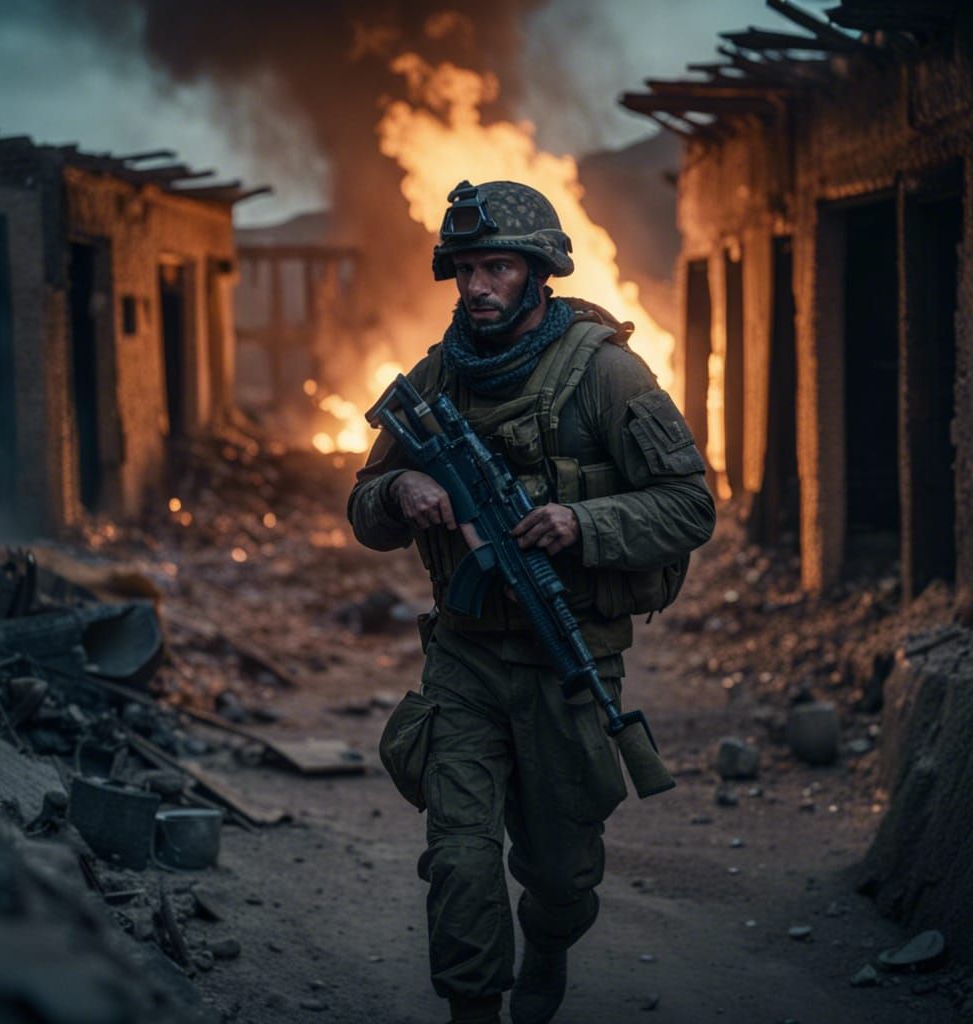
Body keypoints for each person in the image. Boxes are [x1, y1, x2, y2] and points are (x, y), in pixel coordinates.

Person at [348, 180, 715, 1024]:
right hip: (465, 658)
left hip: (564, 663)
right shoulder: (435, 376)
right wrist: (401, 485)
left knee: (560, 877)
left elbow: (690, 507)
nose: (477, 286)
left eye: (498, 267)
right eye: (466, 268)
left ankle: (546, 945)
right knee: (462, 858)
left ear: (538, 272)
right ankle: (473, 1007)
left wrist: (580, 522)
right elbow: (363, 510)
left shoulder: (606, 373)